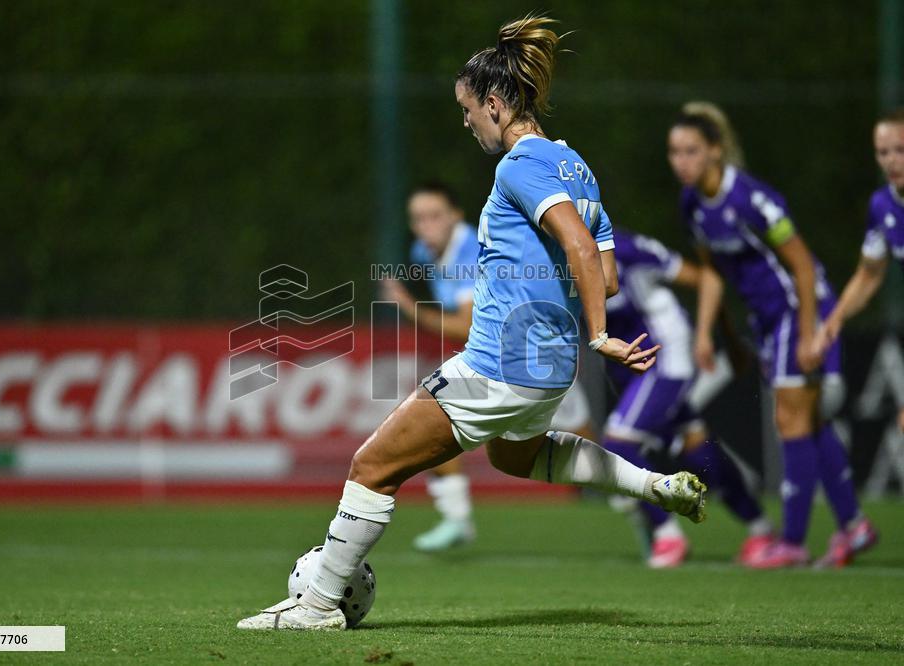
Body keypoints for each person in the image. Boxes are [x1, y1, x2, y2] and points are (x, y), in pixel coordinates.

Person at [238, 16, 705, 631]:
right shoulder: (577, 166)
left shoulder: (520, 164)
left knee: (371, 466)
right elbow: (608, 271)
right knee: (518, 459)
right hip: (549, 369)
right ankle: (654, 487)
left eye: (467, 109)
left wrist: (598, 333)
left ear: (494, 102)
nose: (465, 122)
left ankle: (319, 603)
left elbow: (580, 251)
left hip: (501, 362)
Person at [668, 101, 878, 569]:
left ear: (715, 152)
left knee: (790, 420)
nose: (681, 161)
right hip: (766, 320)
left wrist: (808, 335)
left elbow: (803, 267)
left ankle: (794, 541)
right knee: (807, 420)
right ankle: (854, 526)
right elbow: (712, 274)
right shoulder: (691, 205)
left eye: (691, 151)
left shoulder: (751, 199)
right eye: (675, 152)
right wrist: (707, 333)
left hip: (799, 309)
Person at [382, 181, 598, 552]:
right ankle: (455, 519)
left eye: (434, 216)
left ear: (455, 216)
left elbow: (464, 323)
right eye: (417, 218)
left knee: (585, 445)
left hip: (532, 358)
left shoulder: (468, 252)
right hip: (502, 359)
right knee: (429, 409)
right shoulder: (424, 251)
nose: (425, 226)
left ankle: (648, 512)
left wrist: (407, 308)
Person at [602, 228, 772, 568]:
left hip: (664, 358)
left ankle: (668, 536)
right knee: (697, 450)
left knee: (618, 444)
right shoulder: (557, 256)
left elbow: (708, 279)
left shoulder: (626, 248)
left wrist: (708, 335)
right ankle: (762, 529)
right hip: (633, 366)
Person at [814, 108, 904, 434]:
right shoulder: (883, 206)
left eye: (900, 150)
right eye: (883, 152)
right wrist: (834, 320)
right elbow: (869, 274)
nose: (891, 160)